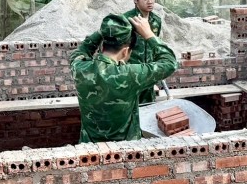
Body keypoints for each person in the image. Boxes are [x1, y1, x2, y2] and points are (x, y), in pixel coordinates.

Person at [70, 13, 177, 143]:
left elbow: (81, 50)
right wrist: (149, 34)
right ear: (125, 51)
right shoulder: (131, 74)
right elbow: (169, 63)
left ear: (102, 46)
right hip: (125, 152)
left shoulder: (80, 69)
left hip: (89, 150)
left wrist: (104, 31)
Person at [123, 0, 165, 104]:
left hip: (149, 75)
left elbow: (155, 47)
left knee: (148, 109)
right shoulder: (126, 20)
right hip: (131, 75)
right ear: (135, 0)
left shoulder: (156, 21)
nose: (150, 1)